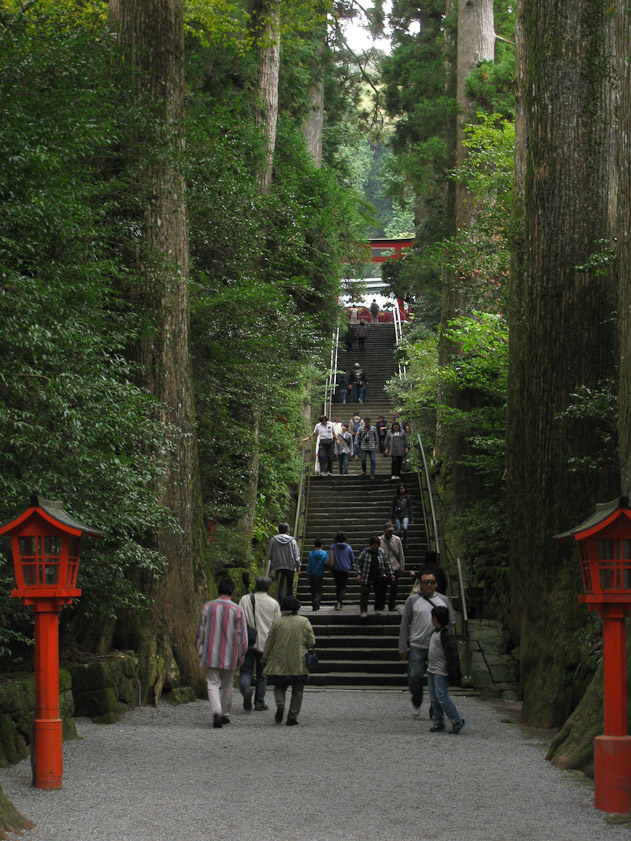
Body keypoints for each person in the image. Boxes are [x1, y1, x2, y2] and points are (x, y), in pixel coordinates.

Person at [398, 569, 456, 718]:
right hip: (418, 644)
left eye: (431, 582)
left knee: (437, 679)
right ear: (420, 584)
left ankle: (435, 708)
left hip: (438, 647)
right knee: (415, 676)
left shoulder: (443, 600)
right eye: (425, 582)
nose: (428, 585)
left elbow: (451, 622)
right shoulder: (412, 601)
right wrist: (403, 645)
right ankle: (416, 701)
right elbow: (405, 623)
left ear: (436, 584)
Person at [195, 577, 248, 729]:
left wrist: (199, 648)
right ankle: (225, 714)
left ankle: (216, 711)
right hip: (230, 653)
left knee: (212, 683)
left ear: (218, 590)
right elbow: (241, 636)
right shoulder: (237, 610)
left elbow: (201, 630)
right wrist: (241, 654)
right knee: (227, 684)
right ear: (233, 591)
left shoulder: (207, 607)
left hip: (211, 652)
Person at [263, 596, 316, 726]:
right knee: (298, 690)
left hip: (279, 660)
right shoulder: (304, 622)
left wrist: (265, 658)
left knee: (279, 686)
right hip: (299, 661)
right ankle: (292, 716)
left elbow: (269, 642)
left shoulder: (277, 623)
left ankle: (280, 704)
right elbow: (311, 642)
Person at [238, 576, 281, 712]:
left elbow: (238, 618)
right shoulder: (273, 603)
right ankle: (259, 702)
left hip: (248, 641)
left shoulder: (245, 599)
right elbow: (277, 624)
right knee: (262, 675)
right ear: (268, 588)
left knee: (246, 671)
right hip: (265, 644)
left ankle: (246, 689)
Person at [427, 605, 465, 734]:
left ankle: (456, 719)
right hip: (432, 669)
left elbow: (452, 654)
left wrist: (453, 672)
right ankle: (438, 721)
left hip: (440, 670)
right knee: (434, 697)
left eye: (432, 617)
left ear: (436, 618)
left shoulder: (446, 634)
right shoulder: (436, 632)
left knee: (442, 696)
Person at [356, 536, 394, 618]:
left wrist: (390, 573)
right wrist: (358, 573)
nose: (375, 548)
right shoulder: (365, 552)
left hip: (378, 576)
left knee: (379, 593)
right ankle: (363, 610)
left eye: (377, 547)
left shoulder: (381, 552)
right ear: (370, 545)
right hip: (366, 576)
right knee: (364, 593)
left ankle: (378, 608)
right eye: (373, 547)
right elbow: (358, 563)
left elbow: (386, 563)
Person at [268, 522, 301, 600]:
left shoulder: (273, 540)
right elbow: (296, 555)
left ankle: (282, 602)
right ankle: (289, 603)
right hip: (290, 566)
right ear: (287, 530)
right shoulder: (292, 541)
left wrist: (271, 566)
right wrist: (298, 567)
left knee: (280, 585)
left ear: (279, 530)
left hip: (278, 566)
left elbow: (270, 555)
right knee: (290, 586)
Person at [379, 521, 405, 611]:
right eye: (388, 531)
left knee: (394, 587)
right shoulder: (380, 540)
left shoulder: (397, 540)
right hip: (384, 568)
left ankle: (392, 604)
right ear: (384, 531)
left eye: (391, 531)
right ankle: (381, 604)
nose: (390, 533)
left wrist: (402, 567)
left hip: (395, 566)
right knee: (383, 587)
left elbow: (401, 554)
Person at [328, 531, 355, 610]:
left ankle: (338, 601)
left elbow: (329, 556)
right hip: (345, 569)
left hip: (336, 569)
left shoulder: (333, 546)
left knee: (338, 586)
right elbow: (352, 559)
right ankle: (340, 602)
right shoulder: (349, 547)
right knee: (343, 587)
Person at [307, 539, 328, 611]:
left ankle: (314, 606)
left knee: (313, 590)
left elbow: (309, 565)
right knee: (319, 590)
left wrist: (307, 574)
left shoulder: (311, 554)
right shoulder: (325, 554)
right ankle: (317, 600)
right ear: (321, 546)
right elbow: (326, 564)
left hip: (312, 574)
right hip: (320, 574)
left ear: (314, 546)